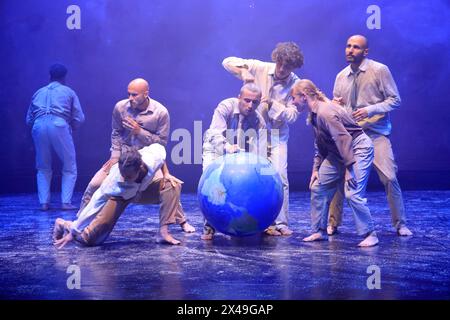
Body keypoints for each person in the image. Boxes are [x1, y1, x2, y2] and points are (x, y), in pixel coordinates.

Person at [78, 78, 195, 233]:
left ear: (146, 94)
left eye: (134, 95)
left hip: (146, 161)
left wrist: (140, 132)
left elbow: (161, 143)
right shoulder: (120, 108)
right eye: (129, 94)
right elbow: (116, 133)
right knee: (94, 185)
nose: (130, 98)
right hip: (124, 161)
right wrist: (115, 156)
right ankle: (79, 220)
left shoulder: (160, 112)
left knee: (168, 186)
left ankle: (182, 221)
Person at [327, 35, 412, 237]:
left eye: (355, 47)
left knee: (390, 177)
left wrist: (370, 110)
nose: (350, 50)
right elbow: (339, 106)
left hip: (375, 134)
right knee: (340, 179)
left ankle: (400, 224)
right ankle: (332, 223)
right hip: (352, 136)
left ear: (365, 51)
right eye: (348, 46)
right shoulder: (341, 76)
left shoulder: (379, 70)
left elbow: (395, 100)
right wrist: (336, 105)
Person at [222, 42, 303, 236]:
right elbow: (226, 62)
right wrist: (243, 73)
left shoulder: (296, 84)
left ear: (294, 67)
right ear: (276, 60)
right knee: (254, 176)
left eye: (288, 66)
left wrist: (273, 104)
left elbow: (292, 116)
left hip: (276, 136)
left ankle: (281, 222)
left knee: (280, 177)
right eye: (280, 64)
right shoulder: (260, 67)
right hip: (254, 134)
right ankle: (254, 219)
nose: (282, 69)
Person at [292, 79, 379, 247]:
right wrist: (315, 169)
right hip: (338, 153)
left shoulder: (325, 112)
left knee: (352, 193)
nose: (292, 102)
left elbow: (344, 139)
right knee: (318, 186)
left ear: (303, 96)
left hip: (357, 149)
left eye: (293, 98)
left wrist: (349, 169)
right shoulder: (314, 114)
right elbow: (320, 144)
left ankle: (370, 233)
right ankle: (319, 231)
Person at [53, 144, 182, 248]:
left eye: (129, 177)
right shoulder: (114, 182)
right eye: (123, 175)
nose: (125, 179)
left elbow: (160, 151)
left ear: (140, 167)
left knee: (172, 184)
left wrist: (166, 174)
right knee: (90, 240)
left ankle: (163, 232)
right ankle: (63, 224)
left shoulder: (151, 159)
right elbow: (95, 203)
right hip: (120, 196)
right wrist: (73, 231)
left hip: (140, 193)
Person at [201, 83, 267, 240]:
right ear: (239, 98)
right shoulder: (226, 107)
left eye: (255, 102)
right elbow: (214, 134)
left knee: (243, 184)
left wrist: (258, 165)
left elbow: (260, 150)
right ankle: (209, 226)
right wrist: (228, 147)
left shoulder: (258, 120)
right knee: (212, 183)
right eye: (247, 100)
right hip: (216, 148)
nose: (251, 105)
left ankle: (243, 221)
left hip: (239, 152)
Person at [26, 63, 85, 211]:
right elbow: (79, 117)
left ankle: (44, 203)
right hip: (59, 125)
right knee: (69, 165)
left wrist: (37, 127)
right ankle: (65, 202)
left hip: (38, 125)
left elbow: (28, 119)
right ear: (64, 77)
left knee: (43, 166)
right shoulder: (68, 91)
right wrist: (72, 127)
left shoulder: (38, 92)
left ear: (50, 76)